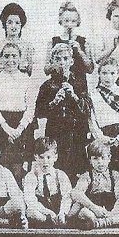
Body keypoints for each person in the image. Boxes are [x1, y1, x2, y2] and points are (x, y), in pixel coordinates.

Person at [35, 43, 90, 177]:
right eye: (58, 59)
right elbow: (39, 112)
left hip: (76, 132)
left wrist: (75, 96)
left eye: (65, 59)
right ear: (52, 62)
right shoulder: (47, 85)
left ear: (71, 61)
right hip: (56, 132)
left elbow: (87, 110)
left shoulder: (80, 83)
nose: (62, 63)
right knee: (58, 167)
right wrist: (54, 101)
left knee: (76, 167)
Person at [0, 43, 38, 184]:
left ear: (20, 58)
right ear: (1, 59)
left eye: (14, 56)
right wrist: (6, 128)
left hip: (22, 126)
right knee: (1, 164)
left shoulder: (27, 80)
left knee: (19, 166)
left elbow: (31, 107)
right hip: (2, 125)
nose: (10, 60)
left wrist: (20, 128)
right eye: (6, 56)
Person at [72, 139, 119, 229]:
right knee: (84, 212)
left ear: (109, 158)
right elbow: (77, 193)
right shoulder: (87, 176)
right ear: (90, 160)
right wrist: (94, 208)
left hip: (112, 209)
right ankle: (95, 221)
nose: (100, 162)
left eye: (103, 158)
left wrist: (112, 213)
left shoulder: (115, 175)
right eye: (95, 158)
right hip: (93, 208)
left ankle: (106, 222)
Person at [88, 58, 119, 174]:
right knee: (102, 167)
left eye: (112, 73)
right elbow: (91, 119)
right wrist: (101, 137)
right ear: (99, 74)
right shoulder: (93, 94)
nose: (108, 77)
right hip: (102, 135)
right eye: (104, 73)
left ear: (118, 74)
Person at [23, 138, 73, 228]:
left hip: (58, 210)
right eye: (41, 157)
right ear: (36, 157)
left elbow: (67, 197)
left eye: (48, 157)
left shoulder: (60, 175)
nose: (45, 161)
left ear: (55, 157)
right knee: (31, 212)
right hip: (43, 212)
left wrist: (62, 212)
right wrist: (47, 213)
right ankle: (49, 223)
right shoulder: (31, 176)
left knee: (73, 209)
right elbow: (30, 200)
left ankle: (62, 223)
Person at [51, 1, 95, 74]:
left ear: (77, 22)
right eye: (66, 21)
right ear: (61, 21)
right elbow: (46, 71)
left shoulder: (84, 42)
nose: (69, 25)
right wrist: (54, 52)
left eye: (73, 21)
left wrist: (80, 51)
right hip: (58, 82)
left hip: (79, 83)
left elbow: (90, 69)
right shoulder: (53, 41)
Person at [0, 3, 35, 76]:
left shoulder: (28, 47)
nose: (13, 26)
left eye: (17, 23)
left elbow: (30, 71)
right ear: (4, 24)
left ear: (21, 24)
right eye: (10, 22)